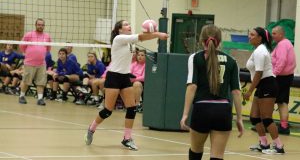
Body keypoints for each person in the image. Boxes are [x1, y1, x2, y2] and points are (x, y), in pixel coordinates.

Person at [84, 20, 168, 150]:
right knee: (107, 111)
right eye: (126, 24)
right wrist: (157, 34)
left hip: (125, 76)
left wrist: (151, 32)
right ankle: (91, 128)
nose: (129, 25)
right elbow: (140, 37)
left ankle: (127, 138)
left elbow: (141, 38)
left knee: (132, 107)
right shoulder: (118, 38)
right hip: (113, 77)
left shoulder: (130, 42)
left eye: (129, 24)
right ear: (119, 29)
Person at [180, 24, 244, 160]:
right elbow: (236, 92)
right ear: (219, 42)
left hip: (202, 109)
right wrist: (239, 118)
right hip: (223, 111)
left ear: (201, 41)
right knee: (217, 156)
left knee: (196, 151)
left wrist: (185, 114)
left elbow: (192, 86)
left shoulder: (195, 58)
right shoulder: (232, 61)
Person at [244, 27, 285, 154]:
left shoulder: (260, 51)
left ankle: (279, 146)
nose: (249, 36)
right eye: (249, 34)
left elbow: (259, 73)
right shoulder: (257, 50)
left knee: (266, 118)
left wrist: (250, 91)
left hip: (268, 84)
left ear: (260, 38)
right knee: (254, 117)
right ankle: (264, 144)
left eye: (252, 35)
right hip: (262, 85)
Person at [19, 18, 52, 105]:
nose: (40, 26)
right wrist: (30, 53)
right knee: (26, 81)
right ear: (35, 25)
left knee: (41, 82)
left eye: (42, 25)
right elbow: (22, 46)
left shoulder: (47, 36)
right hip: (29, 63)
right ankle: (22, 96)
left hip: (41, 63)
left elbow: (48, 49)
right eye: (39, 24)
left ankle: (40, 99)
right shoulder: (29, 34)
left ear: (44, 26)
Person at [271, 26, 296, 135]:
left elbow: (281, 61)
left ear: (281, 34)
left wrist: (273, 74)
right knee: (282, 101)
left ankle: (267, 124)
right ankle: (284, 126)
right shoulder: (287, 43)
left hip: (279, 77)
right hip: (287, 76)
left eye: (274, 33)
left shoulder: (282, 45)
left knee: (269, 100)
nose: (273, 35)